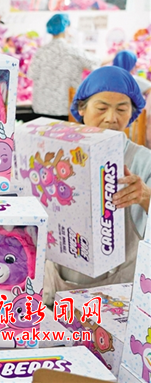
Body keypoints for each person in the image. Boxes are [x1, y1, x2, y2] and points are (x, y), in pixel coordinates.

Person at [43, 66, 150, 306]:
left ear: (132, 113)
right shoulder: (55, 154)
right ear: (81, 109)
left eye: (121, 109)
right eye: (102, 108)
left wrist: (145, 197)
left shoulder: (144, 162)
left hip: (117, 296)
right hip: (59, 285)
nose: (111, 118)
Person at [28, 14, 100, 121]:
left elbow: (31, 74)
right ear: (66, 28)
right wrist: (116, 53)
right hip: (65, 110)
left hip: (41, 109)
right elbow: (96, 63)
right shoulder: (73, 51)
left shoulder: (40, 52)